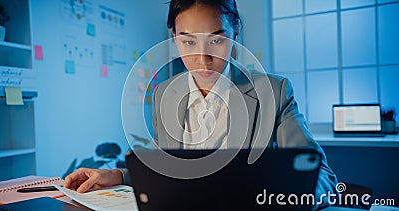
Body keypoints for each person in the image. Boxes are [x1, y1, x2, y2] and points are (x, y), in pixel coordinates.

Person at [65, 0, 338, 209]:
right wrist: (118, 176)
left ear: (235, 34)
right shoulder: (165, 95)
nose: (202, 58)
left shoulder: (274, 92)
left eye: (217, 40)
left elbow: (323, 178)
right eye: (188, 41)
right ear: (174, 37)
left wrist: (270, 197)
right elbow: (167, 173)